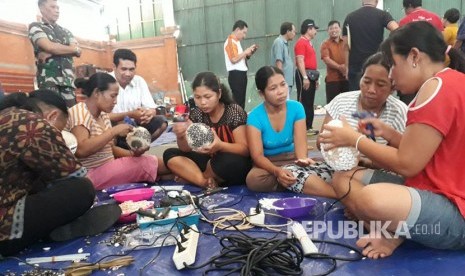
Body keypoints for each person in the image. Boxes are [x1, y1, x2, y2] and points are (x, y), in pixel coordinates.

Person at [320, 21, 465, 259]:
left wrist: (354, 139)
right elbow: (424, 150)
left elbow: (407, 164)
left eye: (393, 66)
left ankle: (392, 233)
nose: (391, 75)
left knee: (371, 198)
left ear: (414, 56)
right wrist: (388, 133)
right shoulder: (449, 82)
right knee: (343, 177)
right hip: (438, 192)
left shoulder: (436, 88)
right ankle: (391, 232)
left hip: (456, 210)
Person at [0, 90, 119, 256]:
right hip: (4, 230)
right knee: (81, 189)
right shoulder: (33, 124)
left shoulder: (7, 115)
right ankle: (51, 229)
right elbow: (76, 174)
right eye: (60, 132)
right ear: (52, 117)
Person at [67, 72, 164, 190]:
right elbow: (81, 150)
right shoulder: (80, 113)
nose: (115, 101)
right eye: (113, 96)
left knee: (162, 169)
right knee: (149, 164)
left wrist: (134, 154)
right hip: (90, 175)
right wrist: (114, 131)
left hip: (106, 168)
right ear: (97, 93)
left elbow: (110, 149)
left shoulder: (102, 115)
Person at [246, 66, 331, 196]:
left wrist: (302, 161)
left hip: (292, 160)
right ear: (262, 94)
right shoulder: (254, 117)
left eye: (283, 84)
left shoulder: (296, 108)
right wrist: (276, 171)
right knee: (253, 180)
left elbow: (301, 148)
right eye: (273, 88)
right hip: (269, 164)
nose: (281, 91)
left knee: (324, 168)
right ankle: (299, 182)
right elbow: (257, 156)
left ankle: (293, 180)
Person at [163, 72, 252, 188]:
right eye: (197, 97)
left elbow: (245, 149)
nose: (203, 102)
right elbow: (186, 149)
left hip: (229, 161)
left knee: (228, 161)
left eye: (207, 97)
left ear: (219, 94)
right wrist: (180, 136)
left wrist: (220, 146)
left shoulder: (233, 111)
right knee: (169, 153)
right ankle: (203, 182)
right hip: (209, 159)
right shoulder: (197, 114)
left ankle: (195, 177)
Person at [109, 49, 167, 148]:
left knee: (161, 122)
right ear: (114, 67)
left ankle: (139, 147)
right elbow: (102, 116)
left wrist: (148, 114)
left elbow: (152, 109)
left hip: (135, 125)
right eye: (124, 69)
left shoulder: (139, 81)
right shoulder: (106, 81)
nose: (128, 74)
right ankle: (125, 150)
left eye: (131, 69)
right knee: (116, 127)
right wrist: (130, 114)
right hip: (112, 127)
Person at [28, 0, 81, 107]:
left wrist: (53, 51)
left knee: (71, 116)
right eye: (53, 7)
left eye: (58, 8)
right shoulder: (36, 27)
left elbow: (78, 51)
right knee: (52, 115)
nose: (57, 11)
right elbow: (49, 46)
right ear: (42, 8)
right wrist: (70, 49)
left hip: (68, 82)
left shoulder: (65, 31)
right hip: (48, 82)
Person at [342, 0, 398, 91]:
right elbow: (396, 30)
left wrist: (347, 67)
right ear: (376, 2)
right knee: (377, 96)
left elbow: (345, 45)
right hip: (377, 64)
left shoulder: (350, 17)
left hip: (356, 65)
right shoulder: (383, 15)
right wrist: (387, 48)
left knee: (356, 98)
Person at [224, 20, 258, 109]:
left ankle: (240, 119)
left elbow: (239, 58)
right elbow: (234, 59)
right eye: (243, 33)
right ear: (238, 29)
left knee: (241, 100)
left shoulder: (236, 42)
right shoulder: (231, 42)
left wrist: (248, 53)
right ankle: (238, 121)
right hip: (236, 74)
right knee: (238, 101)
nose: (244, 36)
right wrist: (246, 51)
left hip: (240, 74)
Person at [295, 19, 320, 132]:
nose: (315, 31)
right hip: (304, 74)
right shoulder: (301, 42)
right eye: (314, 29)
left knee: (310, 101)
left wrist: (316, 79)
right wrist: (305, 77)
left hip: (312, 75)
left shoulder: (309, 43)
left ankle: (308, 126)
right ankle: (302, 127)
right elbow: (300, 60)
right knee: (304, 101)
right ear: (309, 29)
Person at [320, 20, 349, 104]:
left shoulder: (346, 41)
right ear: (328, 31)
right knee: (332, 105)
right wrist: (340, 67)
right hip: (332, 80)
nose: (334, 30)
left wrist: (347, 68)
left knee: (347, 105)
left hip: (347, 78)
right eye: (331, 28)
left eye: (336, 28)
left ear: (340, 29)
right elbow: (326, 59)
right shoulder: (325, 44)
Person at [271, 22, 296, 98]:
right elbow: (279, 62)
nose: (294, 34)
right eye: (293, 31)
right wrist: (280, 80)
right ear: (288, 32)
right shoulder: (279, 42)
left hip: (287, 81)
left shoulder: (285, 43)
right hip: (283, 82)